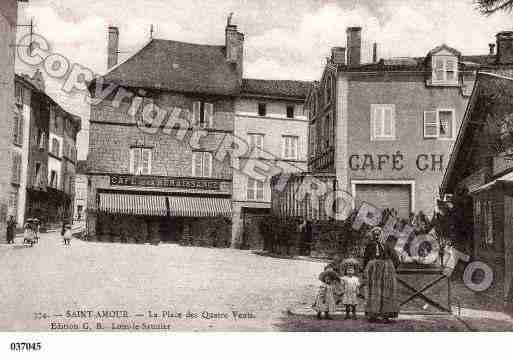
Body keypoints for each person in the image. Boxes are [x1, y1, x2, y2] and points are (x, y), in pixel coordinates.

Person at [362, 226, 400, 323]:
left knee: (386, 292)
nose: (376, 236)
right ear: (372, 235)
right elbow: (366, 259)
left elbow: (395, 257)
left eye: (378, 234)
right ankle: (373, 314)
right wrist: (366, 269)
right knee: (374, 292)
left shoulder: (386, 245)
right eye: (374, 234)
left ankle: (385, 315)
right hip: (373, 272)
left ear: (381, 235)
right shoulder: (369, 245)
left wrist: (391, 268)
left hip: (386, 271)